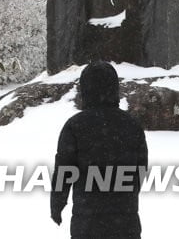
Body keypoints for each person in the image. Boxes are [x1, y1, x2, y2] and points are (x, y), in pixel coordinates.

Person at [50, 61, 148, 239]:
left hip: (87, 222)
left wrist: (57, 204)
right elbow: (140, 169)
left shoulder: (74, 126)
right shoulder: (132, 125)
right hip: (126, 222)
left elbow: (63, 171)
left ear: (85, 90)